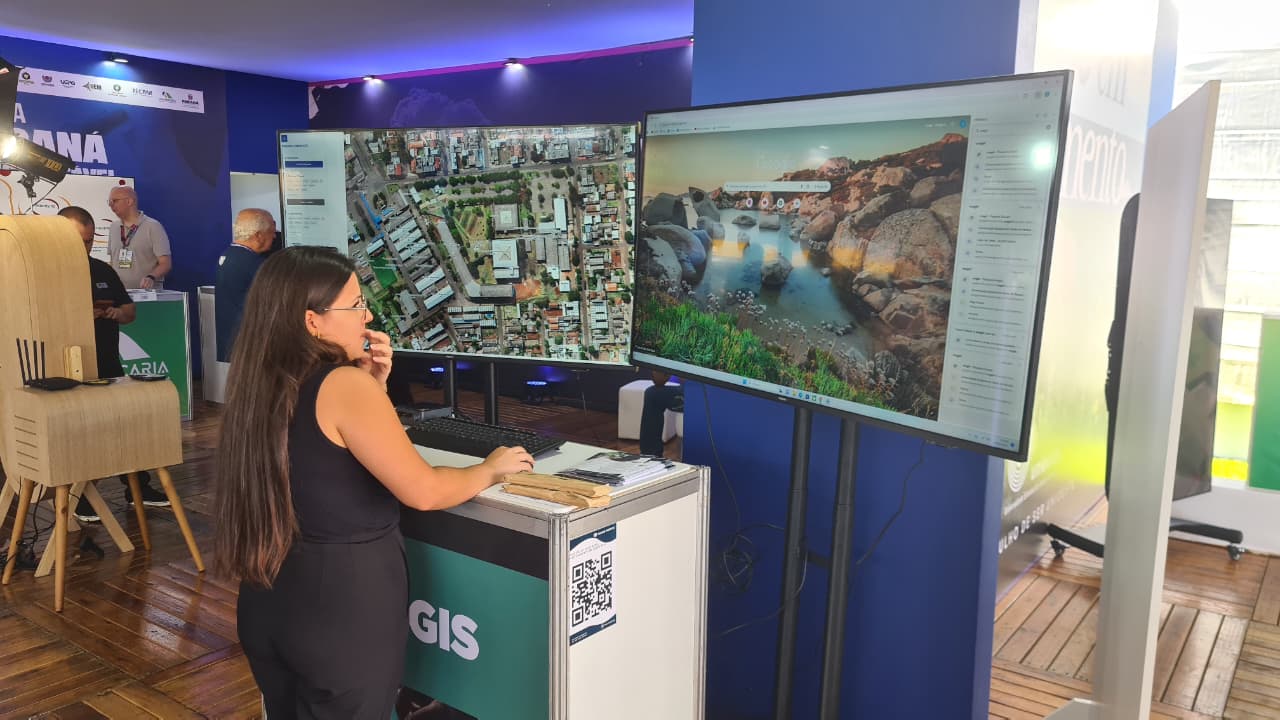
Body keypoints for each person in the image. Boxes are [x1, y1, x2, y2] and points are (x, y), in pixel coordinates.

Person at [214, 246, 534, 718]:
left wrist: (375, 388)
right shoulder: (343, 385)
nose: (367, 316)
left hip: (268, 601)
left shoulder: (258, 383)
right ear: (312, 321)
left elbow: (321, 461)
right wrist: (489, 469)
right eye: (355, 304)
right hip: (341, 609)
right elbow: (424, 489)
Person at [58, 207, 171, 522]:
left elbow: (129, 311)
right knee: (82, 435)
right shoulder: (47, 273)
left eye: (88, 240)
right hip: (68, 369)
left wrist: (116, 313)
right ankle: (81, 497)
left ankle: (138, 488)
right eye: (77, 240)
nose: (83, 247)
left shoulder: (103, 271)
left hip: (108, 364)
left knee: (125, 426)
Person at [215, 208, 275, 362]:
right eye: (271, 231)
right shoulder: (255, 264)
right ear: (258, 235)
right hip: (250, 344)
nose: (274, 236)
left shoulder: (227, 255)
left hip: (230, 340)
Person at [106, 185, 172, 290]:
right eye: (109, 202)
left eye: (115, 201)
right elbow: (112, 261)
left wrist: (151, 277)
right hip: (120, 293)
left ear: (130, 201)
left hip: (146, 294)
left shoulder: (153, 226)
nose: (111, 205)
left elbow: (165, 264)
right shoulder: (114, 227)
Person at [639, 370, 683, 456]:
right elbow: (659, 380)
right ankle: (650, 456)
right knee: (653, 394)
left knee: (653, 394)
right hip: (689, 390)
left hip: (708, 390)